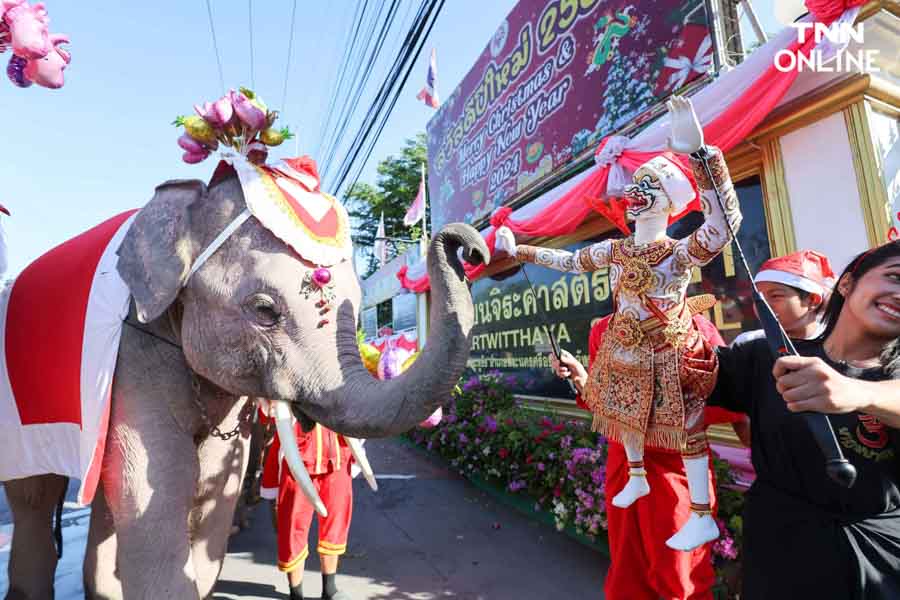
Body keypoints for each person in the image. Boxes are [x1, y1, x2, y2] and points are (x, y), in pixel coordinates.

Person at [558, 241, 900, 598]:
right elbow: (681, 379)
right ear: (848, 283)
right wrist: (593, 377)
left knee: (678, 579)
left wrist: (861, 394)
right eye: (894, 276)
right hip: (779, 548)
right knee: (631, 572)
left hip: (876, 559)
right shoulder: (762, 356)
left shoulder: (887, 379)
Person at [496, 95, 742, 550]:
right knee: (620, 413)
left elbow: (723, 225)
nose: (636, 192)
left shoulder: (678, 251)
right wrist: (520, 250)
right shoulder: (617, 249)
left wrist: (700, 155)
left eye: (648, 184)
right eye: (637, 184)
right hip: (624, 346)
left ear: (668, 199)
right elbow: (567, 262)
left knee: (689, 428)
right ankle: (636, 475)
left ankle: (703, 514)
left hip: (669, 348)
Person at [555, 306, 745, 599]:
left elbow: (728, 405)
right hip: (625, 466)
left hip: (676, 471)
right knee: (627, 571)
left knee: (681, 575)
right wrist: (582, 380)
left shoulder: (695, 328)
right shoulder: (604, 329)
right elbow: (607, 406)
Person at [260, 415, 354, 600]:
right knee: (292, 529)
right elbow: (267, 411)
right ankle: (296, 594)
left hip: (337, 459)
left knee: (335, 525)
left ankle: (330, 589)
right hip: (296, 460)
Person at [733, 249, 835, 344]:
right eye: (757, 298)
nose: (762, 305)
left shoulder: (836, 344)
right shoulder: (747, 343)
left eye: (775, 296)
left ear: (812, 300)